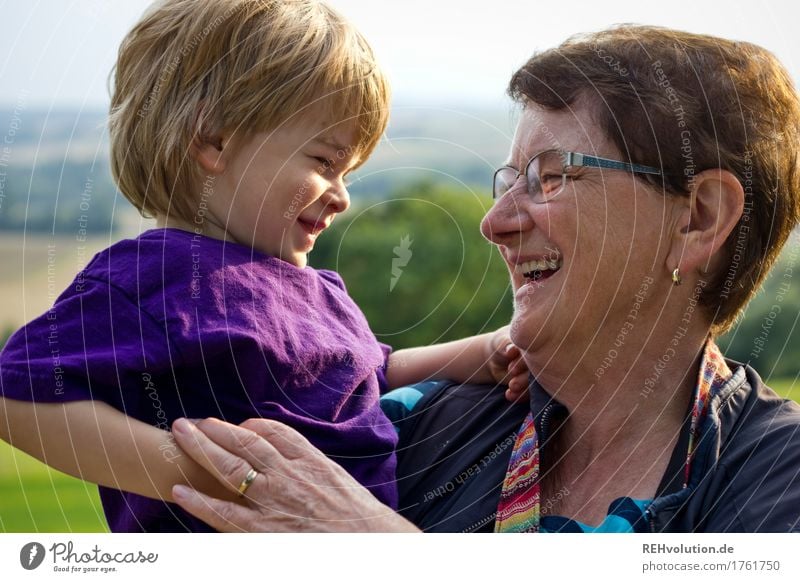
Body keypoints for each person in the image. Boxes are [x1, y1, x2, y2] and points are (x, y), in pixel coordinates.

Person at [165, 25, 800, 533]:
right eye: (509, 179)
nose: (494, 223)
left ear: (698, 218)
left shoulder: (776, 480)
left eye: (551, 177)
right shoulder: (409, 425)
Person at [0, 0, 528, 533]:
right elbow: (17, 396)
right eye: (325, 161)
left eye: (348, 172)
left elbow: (369, 376)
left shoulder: (319, 290)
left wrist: (482, 352)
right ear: (215, 141)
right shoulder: (154, 276)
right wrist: (209, 474)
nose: (342, 196)